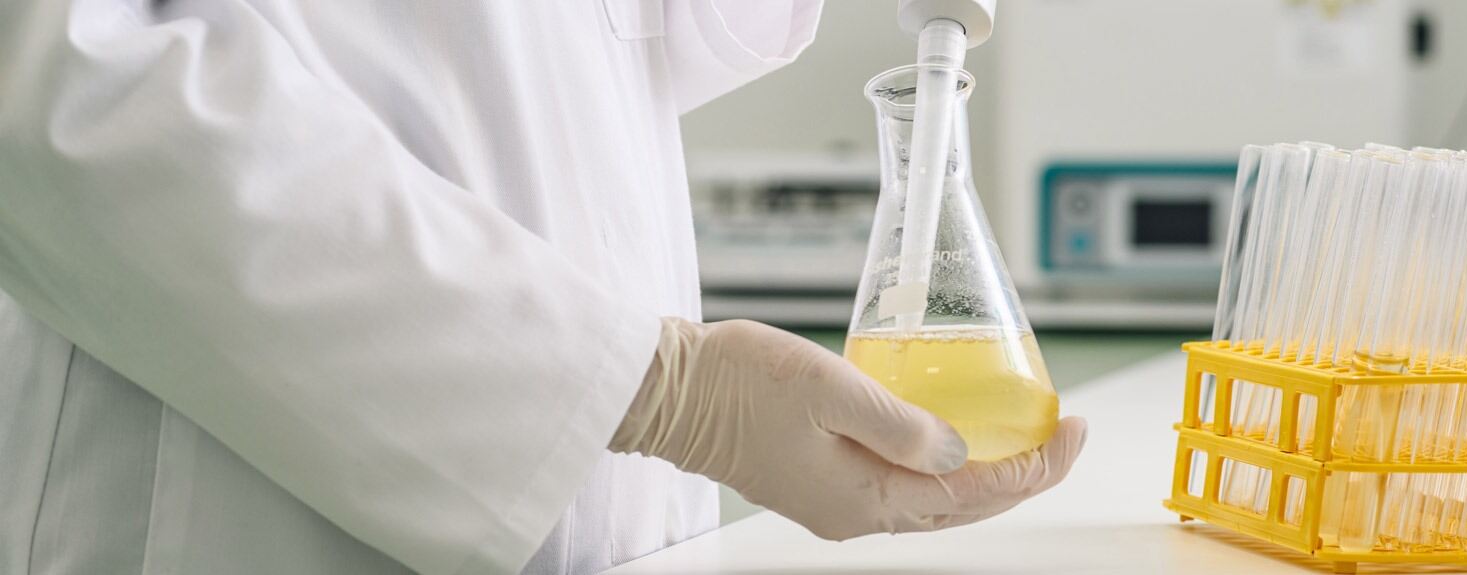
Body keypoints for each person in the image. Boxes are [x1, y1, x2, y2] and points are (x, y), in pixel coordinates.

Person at [0, 1, 1087, 574]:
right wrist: (655, 390)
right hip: (240, 519)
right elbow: (52, 86)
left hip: (624, 516)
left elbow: (574, 40)